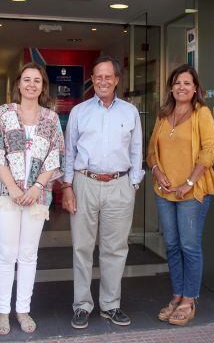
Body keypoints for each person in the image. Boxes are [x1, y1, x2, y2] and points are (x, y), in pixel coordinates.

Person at [0, 63, 65, 335]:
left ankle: (23, 310)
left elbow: (55, 158)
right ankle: (2, 312)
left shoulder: (51, 119)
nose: (31, 84)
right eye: (27, 80)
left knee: (28, 255)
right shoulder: (4, 114)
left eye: (37, 80)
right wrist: (15, 189)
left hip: (37, 196)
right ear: (18, 84)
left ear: (43, 87)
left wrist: (36, 187)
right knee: (6, 254)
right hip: (6, 195)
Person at [62, 55, 144, 329]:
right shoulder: (79, 112)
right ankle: (82, 306)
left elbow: (136, 150)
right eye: (98, 76)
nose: (103, 81)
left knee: (115, 249)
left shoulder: (130, 112)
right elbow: (69, 152)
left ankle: (110, 305)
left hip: (120, 186)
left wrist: (132, 183)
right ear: (92, 80)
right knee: (82, 248)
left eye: (108, 76)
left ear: (117, 80)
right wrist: (68, 187)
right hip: (85, 183)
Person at [146, 64, 214, 326]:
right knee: (172, 246)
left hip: (192, 192)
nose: (181, 87)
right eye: (177, 83)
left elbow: (209, 152)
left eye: (187, 83)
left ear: (196, 88)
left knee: (190, 246)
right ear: (171, 87)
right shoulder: (164, 114)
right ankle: (177, 295)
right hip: (164, 192)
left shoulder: (203, 114)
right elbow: (151, 149)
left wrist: (189, 181)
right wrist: (156, 170)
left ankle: (190, 299)